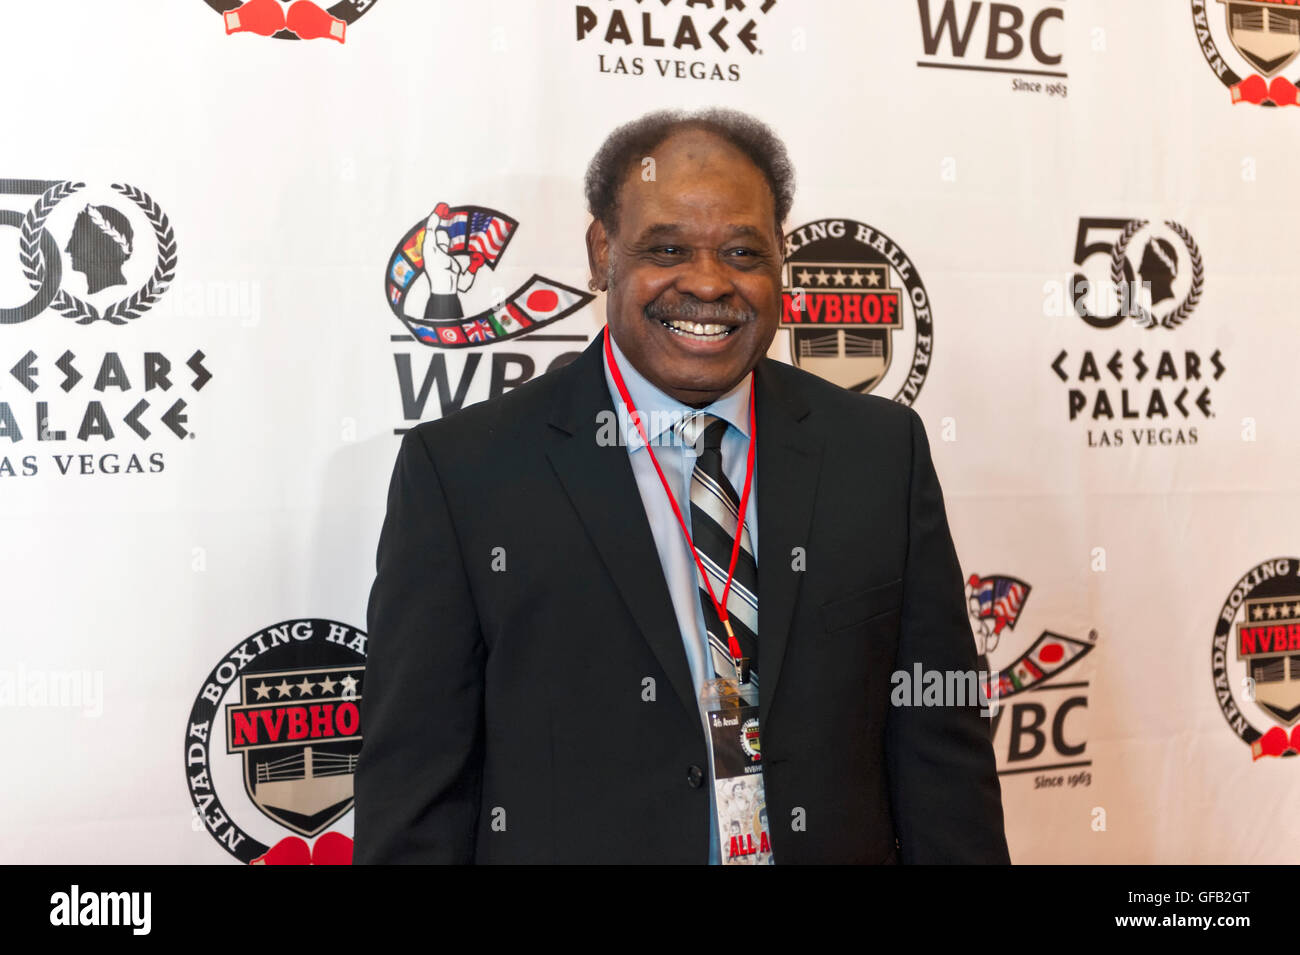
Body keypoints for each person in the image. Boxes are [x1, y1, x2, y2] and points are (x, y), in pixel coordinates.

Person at [355, 107, 1010, 864]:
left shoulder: (879, 452)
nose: (707, 282)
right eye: (667, 247)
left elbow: (943, 760)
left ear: (781, 260)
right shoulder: (466, 473)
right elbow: (415, 791)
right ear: (604, 251)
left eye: (742, 251)